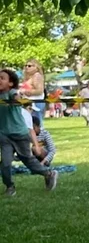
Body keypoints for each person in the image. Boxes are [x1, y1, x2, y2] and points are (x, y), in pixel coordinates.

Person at [0, 68, 58, 196]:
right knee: (5, 162)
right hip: (4, 135)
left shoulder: (12, 92)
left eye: (2, 78)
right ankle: (10, 186)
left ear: (10, 83)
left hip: (20, 134)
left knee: (29, 161)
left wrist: (16, 100)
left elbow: (16, 97)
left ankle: (48, 173)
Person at [19, 58, 46, 124]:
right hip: (28, 102)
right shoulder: (28, 77)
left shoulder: (37, 76)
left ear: (36, 67)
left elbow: (40, 91)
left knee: (36, 124)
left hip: (36, 103)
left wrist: (25, 91)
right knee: (29, 123)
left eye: (29, 66)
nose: (27, 67)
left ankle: (41, 134)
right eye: (25, 65)